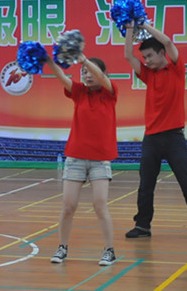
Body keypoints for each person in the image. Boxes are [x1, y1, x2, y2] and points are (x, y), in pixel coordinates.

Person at [123, 21, 187, 240]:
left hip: (174, 137)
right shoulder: (148, 74)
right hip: (151, 138)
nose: (146, 60)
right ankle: (142, 226)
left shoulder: (176, 68)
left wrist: (144, 24)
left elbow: (168, 41)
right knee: (146, 185)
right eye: (144, 57)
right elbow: (128, 56)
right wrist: (129, 29)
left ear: (162, 53)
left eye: (149, 56)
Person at [46, 53, 118, 266]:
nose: (87, 75)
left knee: (99, 205)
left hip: (100, 159)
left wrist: (84, 60)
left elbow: (103, 79)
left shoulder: (110, 92)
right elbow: (62, 78)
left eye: (91, 71)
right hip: (75, 157)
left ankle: (109, 250)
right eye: (84, 72)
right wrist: (49, 61)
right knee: (68, 206)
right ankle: (62, 248)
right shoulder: (79, 92)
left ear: (103, 73)